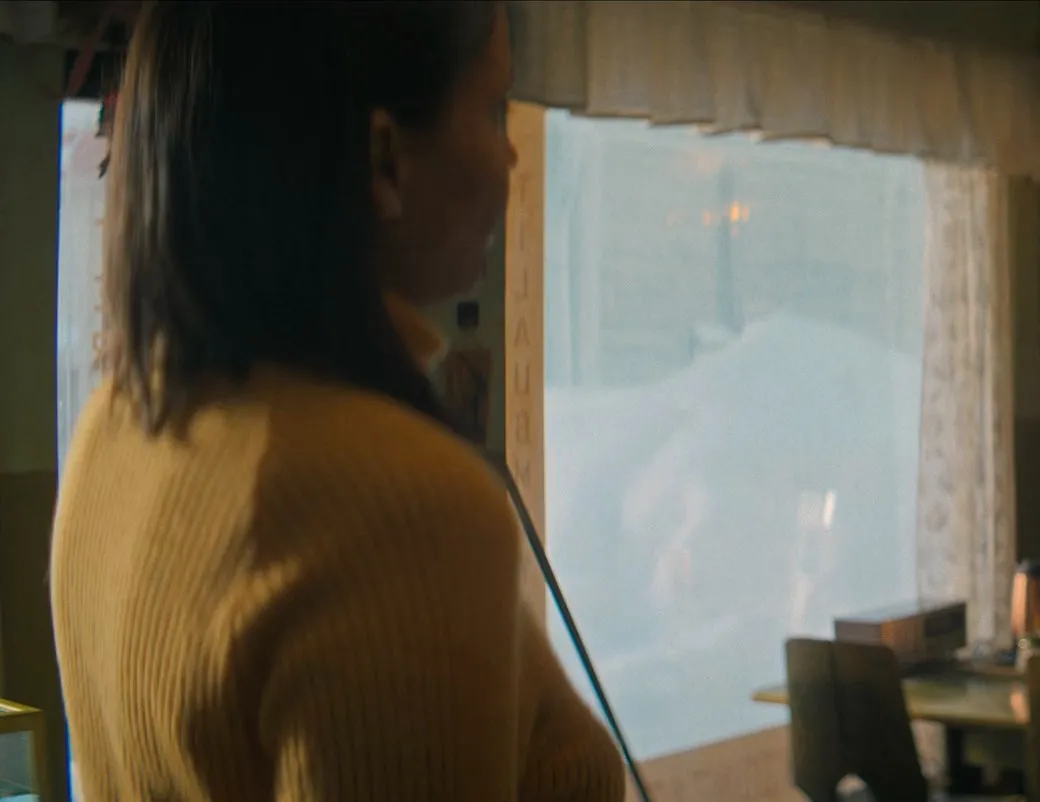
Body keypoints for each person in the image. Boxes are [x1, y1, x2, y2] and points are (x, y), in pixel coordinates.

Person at [50, 3, 628, 799]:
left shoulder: (117, 424)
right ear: (385, 159)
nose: (512, 155)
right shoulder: (398, 507)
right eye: (492, 109)